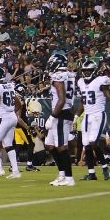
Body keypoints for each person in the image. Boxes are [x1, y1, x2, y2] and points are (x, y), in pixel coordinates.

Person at [76, 59, 110, 181]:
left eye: (89, 70)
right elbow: (83, 101)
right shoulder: (81, 82)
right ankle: (91, 173)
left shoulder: (100, 81)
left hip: (98, 115)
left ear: (94, 71)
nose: (86, 73)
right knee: (86, 145)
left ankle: (105, 167)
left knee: (93, 142)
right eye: (85, 71)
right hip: (87, 116)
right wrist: (76, 116)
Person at [44, 51, 79, 186]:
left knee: (61, 147)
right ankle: (62, 174)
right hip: (64, 111)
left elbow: (62, 99)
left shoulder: (58, 76)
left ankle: (69, 178)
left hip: (61, 113)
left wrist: (52, 117)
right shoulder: (70, 75)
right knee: (50, 145)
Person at [0, 66, 25, 179]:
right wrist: (10, 111)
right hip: (12, 116)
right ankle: (16, 171)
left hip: (2, 117)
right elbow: (19, 104)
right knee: (8, 144)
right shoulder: (10, 86)